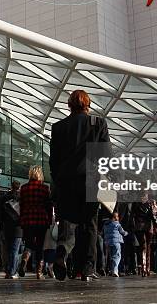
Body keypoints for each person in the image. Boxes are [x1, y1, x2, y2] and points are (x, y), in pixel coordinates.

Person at [49, 89, 111, 282]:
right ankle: (87, 268)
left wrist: (58, 180)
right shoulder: (98, 123)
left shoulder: (58, 127)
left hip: (66, 181)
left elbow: (53, 159)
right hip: (90, 180)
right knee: (89, 225)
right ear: (88, 104)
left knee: (68, 222)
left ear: (70, 104)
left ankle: (61, 254)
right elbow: (106, 155)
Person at [19, 166, 52, 279]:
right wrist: (49, 220)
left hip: (28, 219)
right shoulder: (44, 188)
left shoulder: (23, 188)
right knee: (40, 246)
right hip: (41, 219)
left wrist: (21, 219)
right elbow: (48, 205)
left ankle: (24, 261)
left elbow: (21, 205)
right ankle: (39, 272)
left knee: (28, 244)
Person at [0, 180, 23, 279]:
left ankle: (7, 271)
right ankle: (12, 272)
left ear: (11, 186)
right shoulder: (21, 198)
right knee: (14, 251)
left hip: (6, 227)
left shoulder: (4, 198)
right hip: (18, 228)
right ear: (19, 187)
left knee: (6, 250)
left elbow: (0, 214)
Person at [132, 195, 154, 276]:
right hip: (148, 227)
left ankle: (143, 269)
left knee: (142, 247)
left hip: (139, 227)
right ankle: (147, 269)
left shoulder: (135, 203)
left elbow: (132, 216)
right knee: (148, 247)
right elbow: (153, 216)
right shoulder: (150, 203)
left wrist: (132, 227)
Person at [103, 212, 128, 277]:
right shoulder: (117, 224)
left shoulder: (106, 224)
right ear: (114, 217)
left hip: (108, 243)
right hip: (116, 242)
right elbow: (122, 232)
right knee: (117, 256)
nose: (118, 218)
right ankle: (115, 271)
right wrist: (126, 233)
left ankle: (111, 270)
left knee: (111, 257)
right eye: (117, 216)